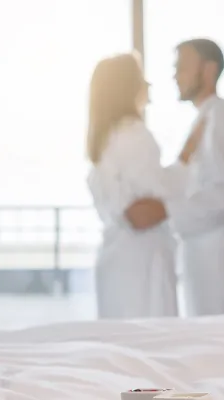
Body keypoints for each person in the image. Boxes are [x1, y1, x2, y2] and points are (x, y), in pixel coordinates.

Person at [125, 38, 224, 316]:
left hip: (222, 257)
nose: (175, 75)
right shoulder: (203, 119)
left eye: (183, 66)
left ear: (209, 70)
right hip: (205, 254)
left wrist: (165, 210)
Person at [86, 53, 203, 319]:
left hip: (118, 261)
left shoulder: (106, 139)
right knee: (151, 344)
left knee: (123, 344)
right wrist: (185, 159)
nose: (148, 84)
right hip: (140, 262)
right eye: (141, 78)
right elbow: (149, 204)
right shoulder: (134, 135)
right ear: (127, 88)